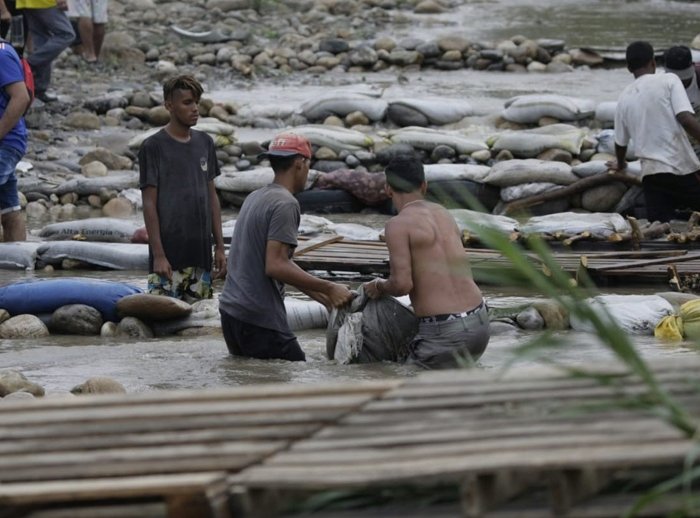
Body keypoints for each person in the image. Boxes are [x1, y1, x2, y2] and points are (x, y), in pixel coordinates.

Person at [219, 133, 353, 362]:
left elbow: (281, 262)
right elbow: (276, 265)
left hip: (231, 312)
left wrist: (322, 297)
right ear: (300, 163)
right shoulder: (286, 204)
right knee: (295, 384)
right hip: (259, 316)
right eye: (309, 164)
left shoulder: (254, 197)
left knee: (253, 385)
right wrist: (330, 287)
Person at [362, 155, 489, 369]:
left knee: (403, 391)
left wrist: (378, 286)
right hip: (480, 323)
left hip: (445, 334)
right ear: (424, 185)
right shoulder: (443, 213)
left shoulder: (397, 225)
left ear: (388, 189)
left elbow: (402, 285)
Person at [139, 74, 226, 303]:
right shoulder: (153, 147)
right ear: (169, 105)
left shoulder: (204, 143)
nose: (195, 108)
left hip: (200, 258)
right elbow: (149, 203)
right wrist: (158, 255)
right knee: (163, 324)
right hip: (168, 261)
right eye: (187, 103)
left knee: (198, 329)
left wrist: (219, 246)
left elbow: (212, 197)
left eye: (196, 102)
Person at [608, 41, 700, 223]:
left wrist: (620, 164)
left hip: (651, 176)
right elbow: (686, 119)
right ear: (653, 62)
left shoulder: (623, 98)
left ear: (628, 68)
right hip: (681, 168)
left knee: (660, 225)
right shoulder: (669, 80)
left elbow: (620, 143)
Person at [16, 0, 74, 103]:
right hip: (45, 2)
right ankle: (29, 63)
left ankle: (39, 88)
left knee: (41, 39)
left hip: (25, 2)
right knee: (66, 34)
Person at [0, 38, 29, 241]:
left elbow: (21, 97)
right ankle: (18, 269)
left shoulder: (1, 54)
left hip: (7, 142)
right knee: (9, 210)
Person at [664, 45, 700, 156]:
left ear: (693, 65)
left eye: (685, 79)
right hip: (675, 137)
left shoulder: (699, 77)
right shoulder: (660, 86)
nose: (681, 82)